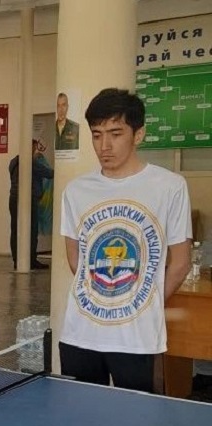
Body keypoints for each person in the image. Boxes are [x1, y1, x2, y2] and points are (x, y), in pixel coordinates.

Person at [59, 88, 192, 393]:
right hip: (80, 332)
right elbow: (76, 260)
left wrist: (143, 302)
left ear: (138, 134)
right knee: (79, 414)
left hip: (136, 339)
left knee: (136, 417)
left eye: (115, 134)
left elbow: (181, 263)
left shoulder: (170, 186)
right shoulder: (76, 190)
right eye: (96, 135)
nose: (104, 146)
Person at [9, 139, 54, 270]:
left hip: (14, 198)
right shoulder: (31, 163)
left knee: (15, 229)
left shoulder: (13, 161)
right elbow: (49, 174)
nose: (35, 151)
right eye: (33, 148)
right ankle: (31, 260)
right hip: (28, 199)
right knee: (32, 230)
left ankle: (17, 260)